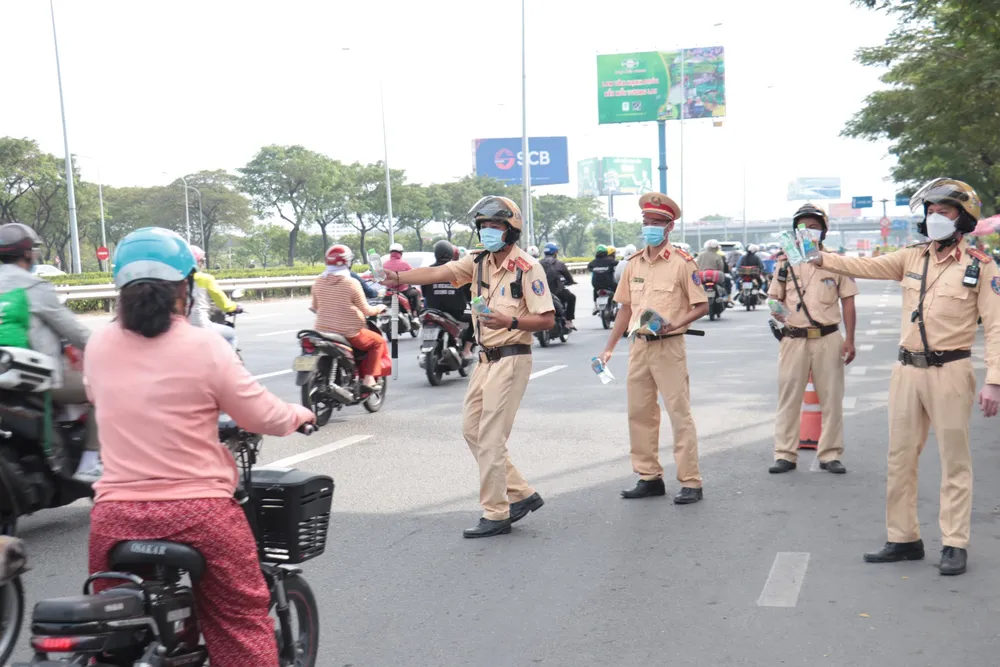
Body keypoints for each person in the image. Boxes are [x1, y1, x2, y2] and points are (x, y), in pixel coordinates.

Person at [83, 227, 315, 667]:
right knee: (239, 621)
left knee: (113, 633)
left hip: (115, 518)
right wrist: (298, 414)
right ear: (185, 288)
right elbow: (259, 414)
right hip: (200, 514)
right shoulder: (206, 344)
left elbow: (99, 396)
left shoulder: (98, 343)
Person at [813, 178, 1000, 576]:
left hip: (951, 371)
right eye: (930, 212)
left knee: (954, 461)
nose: (934, 218)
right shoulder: (913, 258)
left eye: (943, 212)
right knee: (899, 457)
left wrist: (994, 380)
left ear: (963, 218)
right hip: (906, 371)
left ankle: (954, 543)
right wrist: (820, 257)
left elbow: (997, 326)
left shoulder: (981, 267)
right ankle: (903, 538)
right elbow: (863, 266)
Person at [383, 196, 554, 538]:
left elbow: (547, 319)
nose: (488, 231)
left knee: (490, 437)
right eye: (484, 226)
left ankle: (496, 512)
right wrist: (400, 278)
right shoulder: (477, 261)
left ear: (511, 230)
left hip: (512, 357)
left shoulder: (527, 268)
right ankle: (521, 493)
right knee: (472, 430)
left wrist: (509, 320)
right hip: (484, 359)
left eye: (495, 226)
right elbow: (438, 272)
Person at [597, 193, 708, 504]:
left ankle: (691, 481)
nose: (650, 227)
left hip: (669, 347)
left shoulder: (682, 263)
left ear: (669, 227)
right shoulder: (633, 263)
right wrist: (609, 348)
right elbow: (625, 308)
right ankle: (649, 477)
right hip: (639, 345)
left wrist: (676, 323)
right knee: (640, 413)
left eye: (657, 222)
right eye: (647, 221)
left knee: (679, 413)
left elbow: (701, 305)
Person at [0, 223, 98, 482]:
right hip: (34, 377)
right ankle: (91, 460)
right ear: (28, 253)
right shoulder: (34, 287)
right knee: (104, 388)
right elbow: (76, 332)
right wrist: (109, 347)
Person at [767, 203, 858, 475]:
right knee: (789, 398)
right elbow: (772, 298)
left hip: (828, 338)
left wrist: (850, 339)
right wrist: (779, 312)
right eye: (803, 227)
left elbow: (848, 302)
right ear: (795, 232)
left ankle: (830, 454)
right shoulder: (785, 263)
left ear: (824, 232)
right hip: (793, 339)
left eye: (814, 227)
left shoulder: (836, 262)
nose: (808, 231)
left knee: (832, 399)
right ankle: (785, 454)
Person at [311, 245, 388, 391]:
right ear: (348, 262)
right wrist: (380, 308)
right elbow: (367, 310)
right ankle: (369, 379)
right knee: (378, 342)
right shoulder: (352, 282)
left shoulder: (318, 281)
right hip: (349, 333)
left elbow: (314, 307)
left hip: (321, 332)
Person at [421, 240, 475, 360]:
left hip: (432, 311)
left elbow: (424, 293)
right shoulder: (459, 270)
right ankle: (466, 350)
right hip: (455, 313)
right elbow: (469, 293)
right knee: (475, 320)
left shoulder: (427, 271)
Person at [188, 245, 243, 351]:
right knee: (232, 335)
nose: (203, 263)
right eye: (202, 261)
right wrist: (235, 307)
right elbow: (225, 305)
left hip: (181, 329)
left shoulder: (177, 280)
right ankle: (229, 360)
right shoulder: (205, 278)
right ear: (198, 262)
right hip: (201, 325)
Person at [541, 242, 577, 329]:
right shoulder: (559, 264)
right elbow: (568, 277)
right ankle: (568, 321)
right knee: (572, 297)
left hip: (541, 292)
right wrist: (571, 282)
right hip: (557, 292)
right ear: (555, 253)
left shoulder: (538, 263)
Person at [383, 243, 420, 313]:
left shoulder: (384, 264)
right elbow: (413, 275)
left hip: (389, 291)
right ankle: (415, 314)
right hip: (403, 291)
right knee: (416, 293)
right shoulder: (404, 264)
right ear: (400, 253)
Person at [587, 244, 619, 309]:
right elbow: (618, 264)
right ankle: (617, 305)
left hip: (596, 285)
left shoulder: (593, 262)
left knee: (595, 290)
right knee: (618, 288)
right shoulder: (611, 261)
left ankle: (595, 306)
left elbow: (589, 268)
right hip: (609, 284)